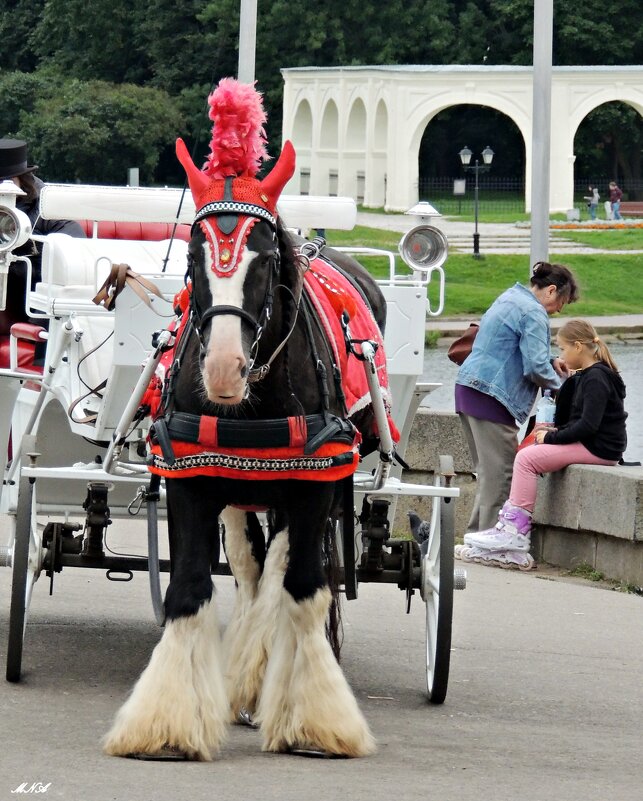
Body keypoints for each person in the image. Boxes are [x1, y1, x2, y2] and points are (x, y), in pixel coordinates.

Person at [456, 319, 627, 569]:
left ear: (578, 347)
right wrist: (553, 429)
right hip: (596, 444)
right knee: (529, 452)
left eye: (563, 349)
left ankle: (515, 532)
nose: (561, 355)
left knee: (526, 459)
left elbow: (588, 426)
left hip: (599, 448)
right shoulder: (591, 375)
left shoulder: (596, 379)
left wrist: (551, 437)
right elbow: (579, 421)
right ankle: (509, 526)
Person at [455, 261, 580, 537]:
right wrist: (567, 389)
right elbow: (534, 368)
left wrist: (551, 361)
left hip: (469, 390)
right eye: (562, 301)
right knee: (502, 478)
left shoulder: (510, 297)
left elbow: (510, 348)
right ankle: (488, 541)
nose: (560, 309)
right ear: (550, 291)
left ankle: (476, 536)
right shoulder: (534, 313)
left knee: (488, 476)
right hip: (492, 397)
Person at [0, 138, 85, 333]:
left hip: (33, 297)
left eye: (4, 182)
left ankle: (42, 354)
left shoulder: (49, 207)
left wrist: (27, 250)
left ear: (21, 180)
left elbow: (73, 247)